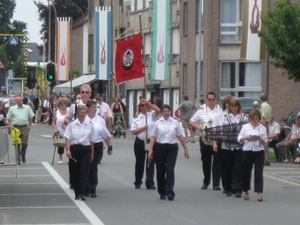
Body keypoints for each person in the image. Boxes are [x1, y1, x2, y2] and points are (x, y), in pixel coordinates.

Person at [148, 104, 189, 200]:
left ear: (170, 112)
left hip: (172, 147)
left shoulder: (175, 122)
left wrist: (186, 149)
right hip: (160, 147)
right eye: (164, 111)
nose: (167, 113)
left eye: (168, 111)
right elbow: (153, 137)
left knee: (170, 169)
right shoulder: (157, 123)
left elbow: (181, 136)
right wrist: (150, 151)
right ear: (162, 113)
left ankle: (169, 191)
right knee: (161, 170)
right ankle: (162, 191)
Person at [213, 98, 248, 198]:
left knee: (238, 168)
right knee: (227, 167)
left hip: (239, 146)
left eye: (235, 106)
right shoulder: (224, 117)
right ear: (229, 107)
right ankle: (227, 188)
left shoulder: (243, 117)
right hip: (226, 146)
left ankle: (238, 189)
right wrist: (216, 141)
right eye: (232, 106)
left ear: (238, 107)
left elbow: (246, 130)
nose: (233, 108)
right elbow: (218, 130)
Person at [189, 92, 222, 190]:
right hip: (205, 139)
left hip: (216, 139)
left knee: (217, 161)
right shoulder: (201, 111)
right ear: (206, 100)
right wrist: (200, 128)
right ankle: (206, 182)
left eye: (213, 99)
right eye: (209, 99)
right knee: (206, 161)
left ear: (216, 100)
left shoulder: (220, 110)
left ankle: (216, 184)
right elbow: (191, 121)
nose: (211, 101)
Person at [64, 104, 94, 201]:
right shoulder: (71, 125)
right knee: (75, 171)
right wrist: (68, 150)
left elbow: (91, 140)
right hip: (75, 149)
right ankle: (77, 193)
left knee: (84, 171)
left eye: (85, 113)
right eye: (81, 113)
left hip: (85, 149)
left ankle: (82, 192)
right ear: (77, 113)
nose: (83, 115)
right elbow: (67, 138)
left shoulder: (89, 125)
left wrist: (92, 153)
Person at [238, 108, 267, 202]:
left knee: (259, 172)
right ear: (250, 118)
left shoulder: (262, 128)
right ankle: (246, 191)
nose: (254, 120)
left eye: (256, 118)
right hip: (247, 150)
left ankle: (259, 193)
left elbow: (265, 142)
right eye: (253, 118)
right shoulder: (245, 127)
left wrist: (261, 140)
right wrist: (245, 138)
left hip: (259, 151)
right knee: (246, 171)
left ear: (258, 119)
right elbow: (239, 138)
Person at [131, 98, 161, 189]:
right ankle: (138, 181)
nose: (144, 107)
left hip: (150, 141)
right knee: (140, 162)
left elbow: (159, 110)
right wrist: (142, 129)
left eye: (146, 105)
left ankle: (150, 182)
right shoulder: (136, 117)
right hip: (140, 141)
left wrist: (150, 104)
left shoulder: (151, 115)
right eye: (142, 105)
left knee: (150, 161)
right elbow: (133, 131)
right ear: (140, 107)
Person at [86, 100, 113, 197]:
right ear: (87, 108)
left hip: (97, 145)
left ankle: (92, 187)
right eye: (92, 107)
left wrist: (110, 146)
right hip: (85, 145)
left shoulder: (100, 120)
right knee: (85, 167)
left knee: (93, 167)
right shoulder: (83, 118)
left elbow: (105, 135)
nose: (95, 109)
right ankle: (85, 187)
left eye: (96, 107)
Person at [6, 95, 35, 164]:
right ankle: (18, 158)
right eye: (19, 100)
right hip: (15, 127)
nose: (21, 101)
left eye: (21, 100)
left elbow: (31, 116)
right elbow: (9, 118)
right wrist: (9, 127)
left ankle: (23, 155)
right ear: (15, 101)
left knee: (24, 143)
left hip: (24, 127)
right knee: (16, 143)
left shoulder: (27, 107)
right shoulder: (12, 109)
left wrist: (29, 125)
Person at [52, 97, 69, 164]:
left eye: (65, 103)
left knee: (69, 145)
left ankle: (69, 157)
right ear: (59, 105)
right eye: (61, 104)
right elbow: (53, 122)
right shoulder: (57, 112)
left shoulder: (69, 110)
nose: (63, 105)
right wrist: (55, 129)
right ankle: (60, 158)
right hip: (60, 131)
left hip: (68, 130)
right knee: (60, 145)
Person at [260, 93, 272, 166]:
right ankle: (267, 159)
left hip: (264, 124)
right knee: (265, 142)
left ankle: (266, 159)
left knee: (263, 141)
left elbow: (263, 117)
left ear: (260, 99)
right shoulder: (269, 106)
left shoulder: (263, 106)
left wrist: (262, 127)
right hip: (267, 123)